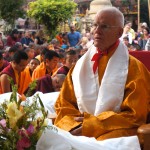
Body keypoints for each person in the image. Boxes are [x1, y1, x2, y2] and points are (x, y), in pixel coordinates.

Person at [54, 7, 150, 141]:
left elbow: (135, 115)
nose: (96, 31)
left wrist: (93, 125)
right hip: (78, 126)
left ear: (119, 32)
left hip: (115, 129)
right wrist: (74, 124)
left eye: (104, 26)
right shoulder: (79, 66)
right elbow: (64, 104)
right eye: (95, 25)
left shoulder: (134, 69)